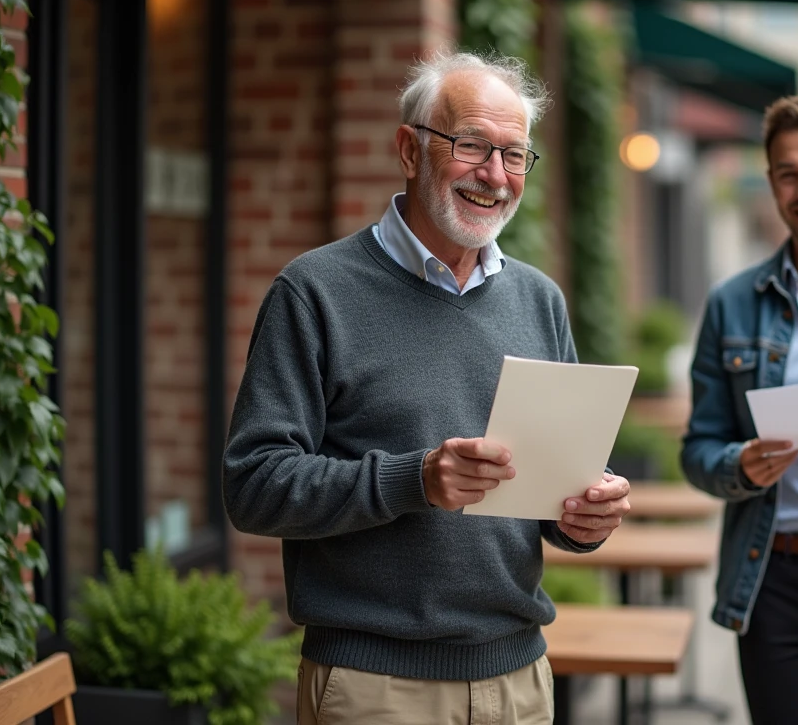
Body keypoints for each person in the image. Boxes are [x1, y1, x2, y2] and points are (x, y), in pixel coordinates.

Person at [222, 50, 631, 725]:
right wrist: (415, 480)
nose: (495, 176)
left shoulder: (539, 300)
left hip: (520, 681)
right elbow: (255, 486)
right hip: (373, 687)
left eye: (514, 154)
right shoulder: (314, 292)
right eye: (472, 146)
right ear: (409, 151)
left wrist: (584, 514)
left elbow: (555, 481)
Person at [681, 95, 798, 725]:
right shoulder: (733, 304)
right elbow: (697, 449)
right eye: (788, 174)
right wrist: (740, 464)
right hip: (774, 579)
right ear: (771, 184)